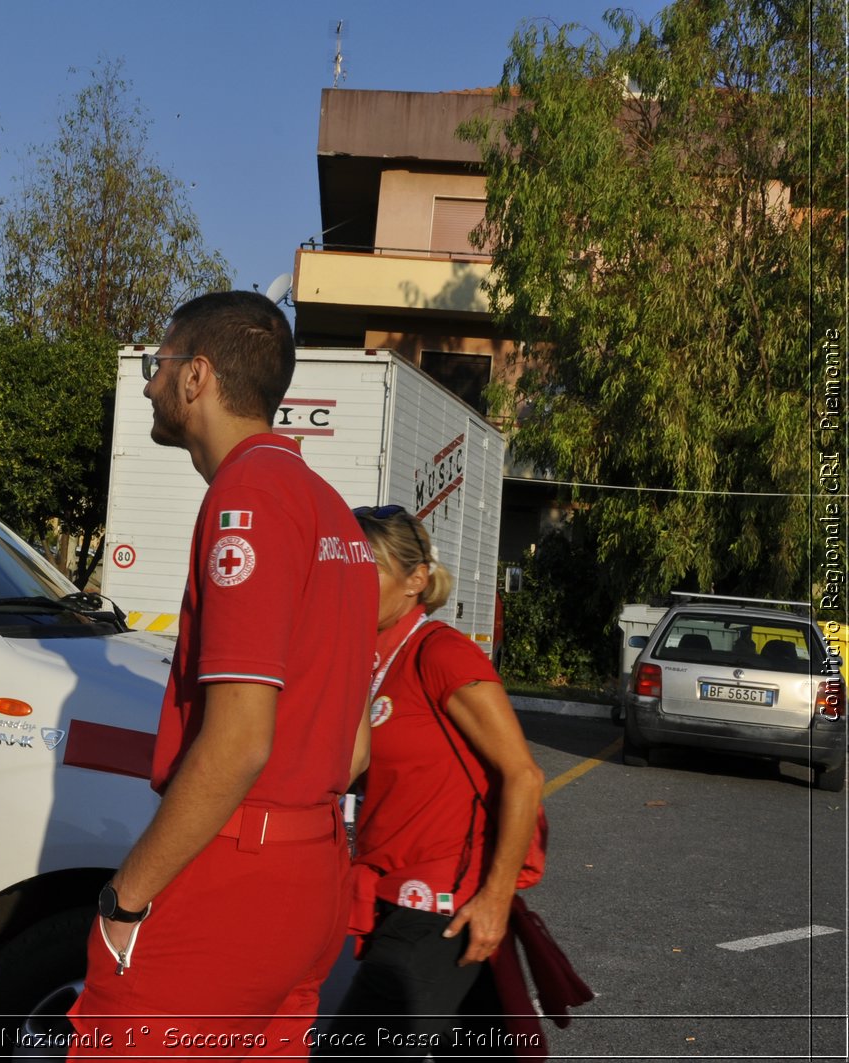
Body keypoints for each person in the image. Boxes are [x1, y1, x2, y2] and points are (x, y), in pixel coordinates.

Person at [66, 291, 377, 1057]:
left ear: (197, 376)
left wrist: (126, 895)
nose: (147, 383)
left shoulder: (249, 496)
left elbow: (239, 739)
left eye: (156, 364)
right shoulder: (333, 510)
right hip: (312, 872)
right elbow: (357, 746)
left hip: (237, 879)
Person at [325, 505, 545, 1058]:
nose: (347, 581)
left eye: (366, 567)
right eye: (342, 564)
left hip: (439, 902)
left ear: (415, 580)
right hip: (390, 889)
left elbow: (523, 775)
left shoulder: (439, 652)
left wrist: (495, 899)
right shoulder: (371, 659)